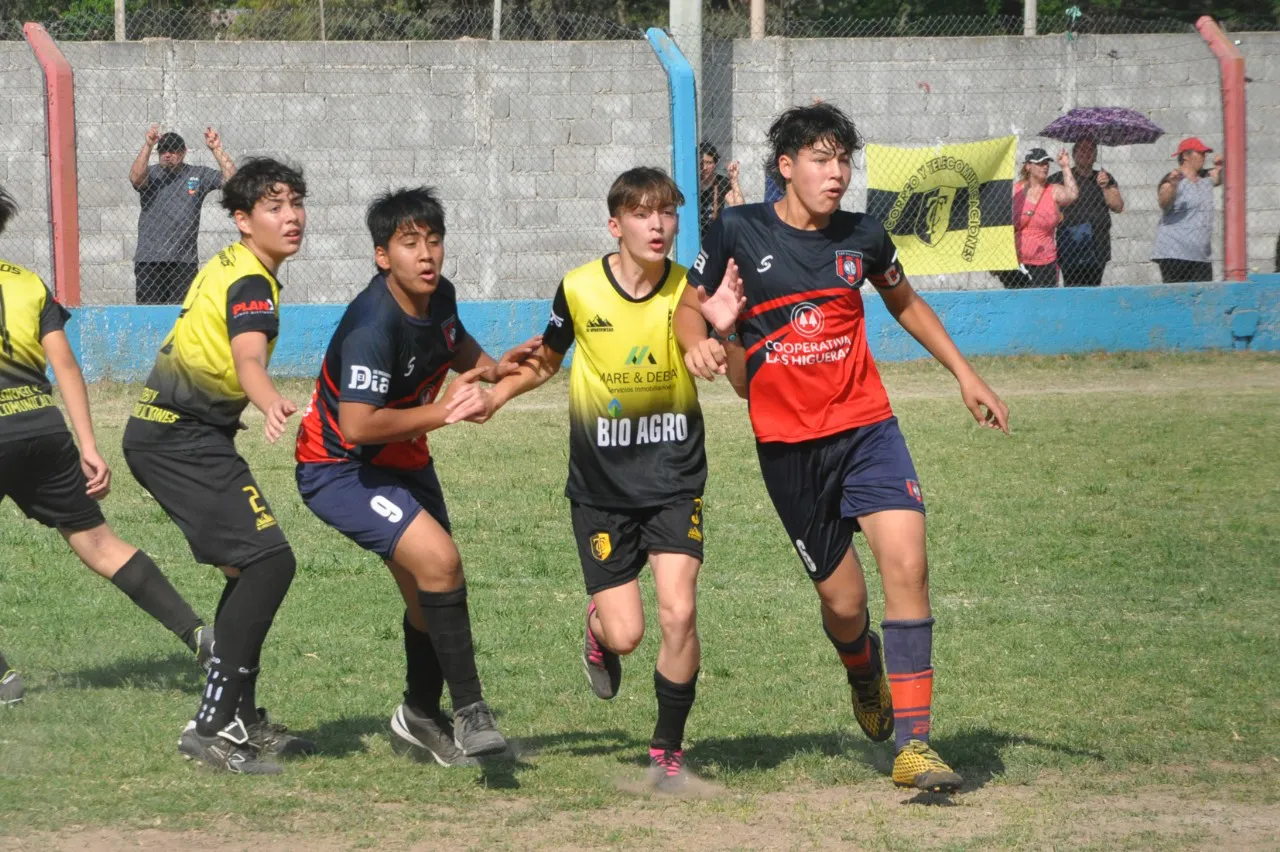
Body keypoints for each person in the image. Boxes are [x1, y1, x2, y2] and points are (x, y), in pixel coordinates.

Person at [681, 103, 1010, 793]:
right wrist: (703, 341)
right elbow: (691, 307)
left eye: (844, 162)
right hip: (791, 450)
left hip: (868, 429)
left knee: (909, 564)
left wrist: (964, 372)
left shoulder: (864, 236)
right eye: (823, 161)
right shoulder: (737, 229)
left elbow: (906, 302)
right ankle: (862, 668)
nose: (837, 175)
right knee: (846, 606)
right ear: (787, 167)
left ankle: (914, 745)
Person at [446, 168, 712, 791]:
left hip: (674, 475)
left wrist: (714, 347)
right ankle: (598, 631)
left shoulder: (687, 290)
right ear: (615, 225)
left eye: (667, 213)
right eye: (643, 214)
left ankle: (666, 751)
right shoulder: (579, 289)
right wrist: (498, 395)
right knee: (628, 632)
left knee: (679, 612)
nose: (657, 225)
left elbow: (708, 343)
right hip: (601, 488)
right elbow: (546, 362)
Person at [295, 187, 539, 765]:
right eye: (409, 244)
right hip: (339, 469)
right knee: (442, 563)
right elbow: (355, 425)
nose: (426, 254)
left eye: (433, 240)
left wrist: (491, 366)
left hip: (403, 459)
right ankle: (471, 712)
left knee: (429, 593)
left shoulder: (438, 295)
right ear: (383, 256)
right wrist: (445, 412)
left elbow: (455, 346)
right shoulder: (371, 326)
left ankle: (418, 715)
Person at [121, 158, 311, 774]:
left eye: (296, 203)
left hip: (172, 435)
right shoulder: (252, 281)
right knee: (268, 562)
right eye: (275, 206)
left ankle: (241, 716)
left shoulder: (232, 266)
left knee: (248, 565)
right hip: (181, 438)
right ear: (241, 220)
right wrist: (269, 399)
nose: (292, 217)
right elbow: (248, 356)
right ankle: (210, 728)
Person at [0, 186, 214, 708]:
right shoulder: (28, 283)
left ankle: (4, 682)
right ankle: (201, 637)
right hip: (43, 431)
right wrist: (88, 445)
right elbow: (67, 367)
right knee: (98, 543)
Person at [130, 126, 236, 305]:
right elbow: (136, 179)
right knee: (148, 314)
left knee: (183, 315)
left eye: (173, 150)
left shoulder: (197, 175)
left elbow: (233, 181)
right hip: (149, 260)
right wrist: (148, 146)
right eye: (163, 150)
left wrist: (216, 149)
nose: (167, 154)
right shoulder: (152, 175)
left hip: (183, 262)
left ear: (184, 152)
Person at [998, 147, 1078, 289]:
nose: (1045, 166)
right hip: (1017, 262)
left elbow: (1072, 195)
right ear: (1029, 166)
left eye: (1047, 163)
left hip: (1045, 263)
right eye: (1040, 163)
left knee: (1043, 306)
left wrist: (1065, 167)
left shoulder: (1052, 191)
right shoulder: (1014, 191)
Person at [1049, 138, 1124, 287]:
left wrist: (1105, 187)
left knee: (1094, 287)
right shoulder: (1060, 177)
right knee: (1073, 286)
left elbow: (1118, 206)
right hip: (1071, 243)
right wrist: (1057, 215)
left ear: (1096, 155)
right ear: (1074, 154)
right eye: (1082, 149)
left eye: (1090, 150)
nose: (1086, 153)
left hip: (1098, 245)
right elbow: (1046, 203)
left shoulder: (1104, 177)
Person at [1152, 137, 1223, 283]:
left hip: (1201, 255)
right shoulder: (1172, 179)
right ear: (1185, 156)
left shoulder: (1205, 177)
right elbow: (1163, 203)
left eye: (1205, 154)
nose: (1204, 157)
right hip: (1175, 252)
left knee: (1203, 300)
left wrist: (1223, 164)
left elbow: (1224, 176)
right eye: (1200, 153)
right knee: (1177, 299)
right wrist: (1172, 186)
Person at [698, 142, 744, 243]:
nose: (704, 167)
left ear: (715, 164)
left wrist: (734, 180)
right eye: (701, 162)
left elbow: (740, 207)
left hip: (715, 235)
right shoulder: (692, 183)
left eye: (709, 163)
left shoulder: (721, 182)